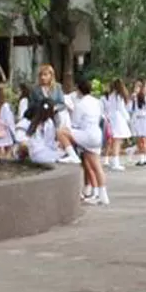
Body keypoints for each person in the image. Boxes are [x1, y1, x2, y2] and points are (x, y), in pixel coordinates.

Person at [65, 77, 109, 205]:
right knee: (96, 166)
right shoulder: (97, 102)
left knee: (62, 132)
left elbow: (75, 123)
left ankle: (71, 155)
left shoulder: (80, 104)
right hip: (97, 134)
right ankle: (102, 194)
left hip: (86, 134)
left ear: (78, 89)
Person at [22, 101, 76, 166]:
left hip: (42, 151)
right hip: (39, 152)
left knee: (62, 154)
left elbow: (49, 141)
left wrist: (58, 145)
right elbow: (23, 142)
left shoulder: (45, 122)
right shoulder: (27, 123)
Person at [104, 79, 132, 172]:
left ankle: (114, 160)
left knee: (115, 141)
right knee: (117, 141)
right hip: (119, 119)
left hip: (113, 119)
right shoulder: (118, 96)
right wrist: (128, 118)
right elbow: (122, 109)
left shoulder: (111, 95)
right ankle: (115, 162)